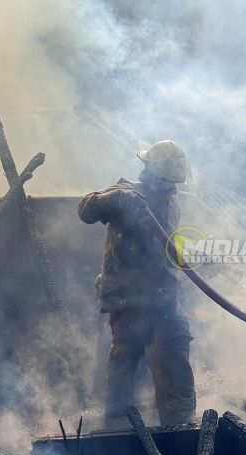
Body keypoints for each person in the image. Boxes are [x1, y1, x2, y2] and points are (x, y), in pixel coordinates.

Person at [78, 140, 196, 427]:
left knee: (171, 350)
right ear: (150, 173)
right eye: (167, 183)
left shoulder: (169, 205)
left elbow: (163, 247)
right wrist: (116, 198)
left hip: (160, 296)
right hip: (129, 298)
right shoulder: (128, 195)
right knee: (128, 358)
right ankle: (119, 426)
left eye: (173, 184)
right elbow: (85, 209)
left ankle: (177, 425)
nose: (171, 188)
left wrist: (187, 258)